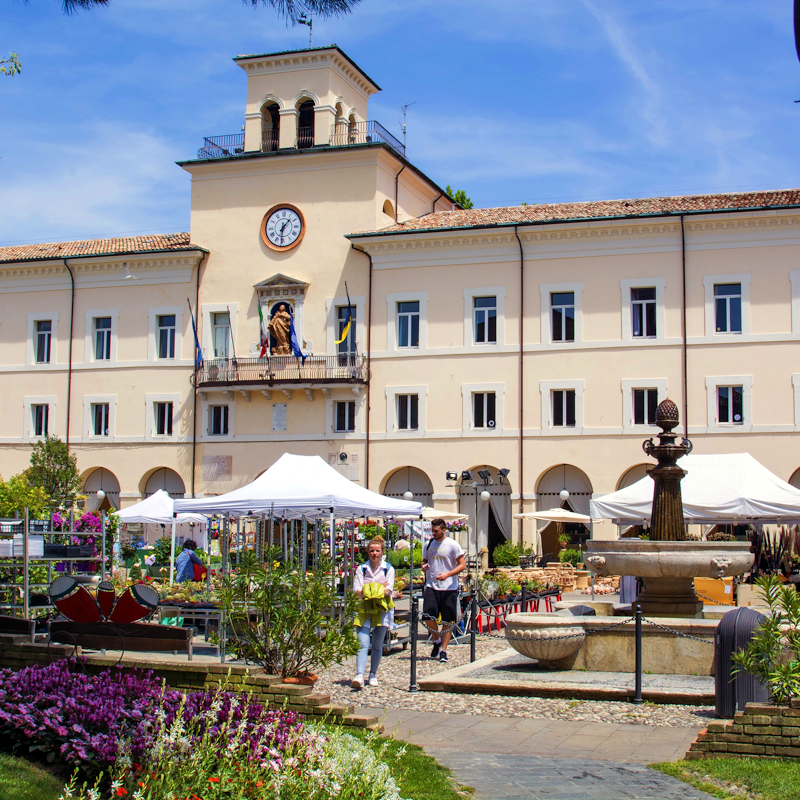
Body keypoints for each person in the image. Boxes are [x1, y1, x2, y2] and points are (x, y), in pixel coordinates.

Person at [351, 536, 395, 689]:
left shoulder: (388, 569)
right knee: (362, 642)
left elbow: (388, 591)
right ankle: (359, 674)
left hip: (382, 609)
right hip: (364, 608)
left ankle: (373, 674)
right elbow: (357, 592)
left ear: (382, 552)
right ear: (367, 552)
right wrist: (377, 587)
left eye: (377, 551)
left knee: (377, 643)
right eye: (371, 551)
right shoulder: (361, 568)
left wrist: (368, 587)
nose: (374, 554)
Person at [422, 519, 466, 663]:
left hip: (449, 586)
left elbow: (462, 565)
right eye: (432, 531)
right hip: (431, 585)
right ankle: (436, 640)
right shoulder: (428, 544)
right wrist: (424, 566)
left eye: (436, 531)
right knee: (428, 616)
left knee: (448, 619)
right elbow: (424, 561)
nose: (433, 533)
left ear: (443, 530)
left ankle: (443, 650)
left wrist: (447, 574)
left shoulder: (453, 545)